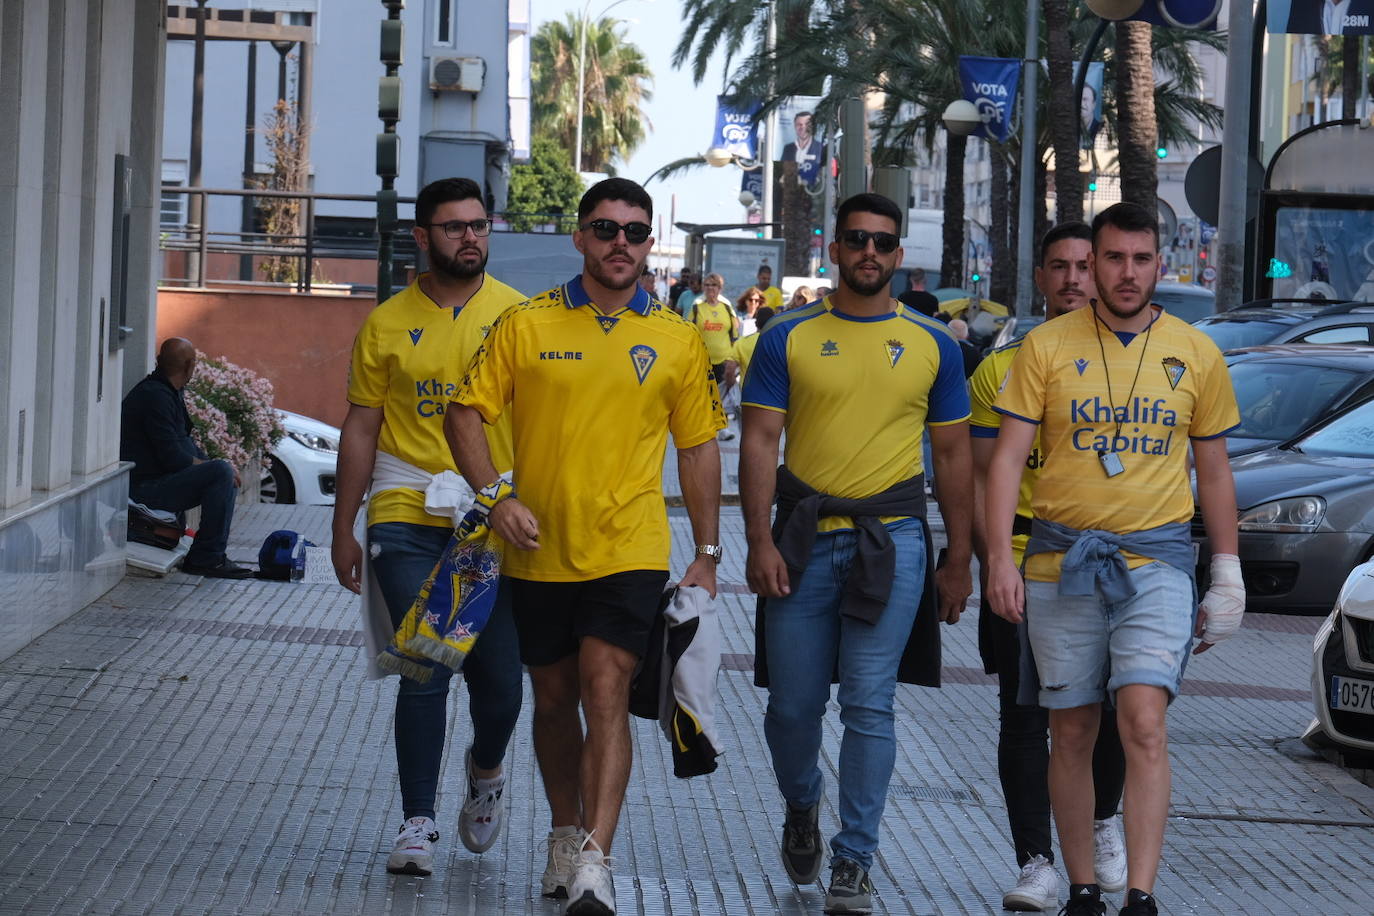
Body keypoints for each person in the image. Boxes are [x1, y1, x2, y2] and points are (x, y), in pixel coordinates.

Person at [444, 177, 725, 916]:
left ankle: (597, 861)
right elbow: (464, 414)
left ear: (650, 243)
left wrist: (707, 552)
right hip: (539, 549)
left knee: (606, 689)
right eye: (605, 229)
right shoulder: (525, 324)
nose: (620, 243)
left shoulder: (678, 337)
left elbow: (698, 448)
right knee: (553, 700)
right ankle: (564, 834)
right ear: (580, 237)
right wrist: (496, 498)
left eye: (635, 231)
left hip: (630, 549)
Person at [984, 203, 1246, 916]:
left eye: (1141, 258)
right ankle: (1081, 888)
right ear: (1093, 262)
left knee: (1143, 720)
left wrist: (1227, 572)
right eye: (1113, 258)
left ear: (1161, 263)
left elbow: (1214, 470)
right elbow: (1005, 460)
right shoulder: (1045, 347)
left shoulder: (1196, 352)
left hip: (1156, 563)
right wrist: (998, 560)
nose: (1127, 272)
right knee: (1070, 729)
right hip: (1060, 563)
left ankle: (1140, 895)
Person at [740, 192, 974, 916]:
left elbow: (953, 456)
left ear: (898, 255)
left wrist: (959, 558)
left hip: (892, 539)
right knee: (792, 708)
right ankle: (802, 803)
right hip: (802, 538)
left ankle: (854, 859)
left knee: (870, 703)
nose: (869, 251)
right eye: (856, 239)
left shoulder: (935, 343)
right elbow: (759, 442)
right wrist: (757, 542)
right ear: (835, 250)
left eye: (882, 241)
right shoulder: (786, 336)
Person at [329, 177, 526, 878]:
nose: (470, 237)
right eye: (453, 227)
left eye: (478, 225)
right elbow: (361, 428)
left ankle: (486, 768)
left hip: (490, 517)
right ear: (422, 236)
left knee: (501, 685)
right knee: (427, 658)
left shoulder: (519, 316)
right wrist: (343, 527)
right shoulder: (386, 323)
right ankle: (417, 821)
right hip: (406, 507)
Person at [968, 221, 1127, 912]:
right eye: (1059, 266)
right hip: (1027, 559)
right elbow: (981, 477)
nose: (1073, 279)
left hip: (1109, 563)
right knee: (1024, 714)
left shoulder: (1132, 364)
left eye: (1084, 265)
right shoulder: (1000, 369)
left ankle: (1103, 817)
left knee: (1115, 706)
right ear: (1039, 278)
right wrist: (989, 562)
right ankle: (1036, 861)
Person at [120, 337, 250, 579]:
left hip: (154, 482)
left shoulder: (168, 392)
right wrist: (216, 468)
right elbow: (174, 458)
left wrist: (214, 466)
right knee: (221, 472)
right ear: (190, 366)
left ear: (158, 360)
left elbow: (184, 444)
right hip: (141, 490)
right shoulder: (154, 396)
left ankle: (210, 555)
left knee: (222, 472)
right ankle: (207, 558)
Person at [686, 272, 742, 389]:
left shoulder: (727, 307)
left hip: (724, 362)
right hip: (702, 361)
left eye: (714, 285)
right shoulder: (696, 308)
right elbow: (688, 333)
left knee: (721, 396)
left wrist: (732, 360)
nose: (710, 288)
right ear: (703, 287)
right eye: (707, 285)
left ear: (720, 288)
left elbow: (735, 335)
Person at [780, 110, 824, 188]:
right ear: (795, 126)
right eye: (799, 124)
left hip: (812, 191)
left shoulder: (820, 148)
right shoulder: (788, 148)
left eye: (807, 124)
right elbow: (782, 171)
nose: (803, 127)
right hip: (790, 190)